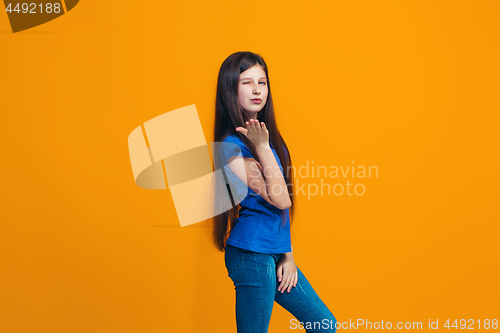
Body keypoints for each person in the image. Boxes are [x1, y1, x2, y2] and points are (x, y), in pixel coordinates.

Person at [211, 51, 337, 333]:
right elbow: (280, 198)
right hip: (251, 253)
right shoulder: (232, 146)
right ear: (230, 89)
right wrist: (264, 148)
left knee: (324, 326)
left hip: (273, 251)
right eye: (246, 82)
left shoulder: (268, 138)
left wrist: (287, 255)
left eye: (263, 82)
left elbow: (280, 208)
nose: (257, 89)